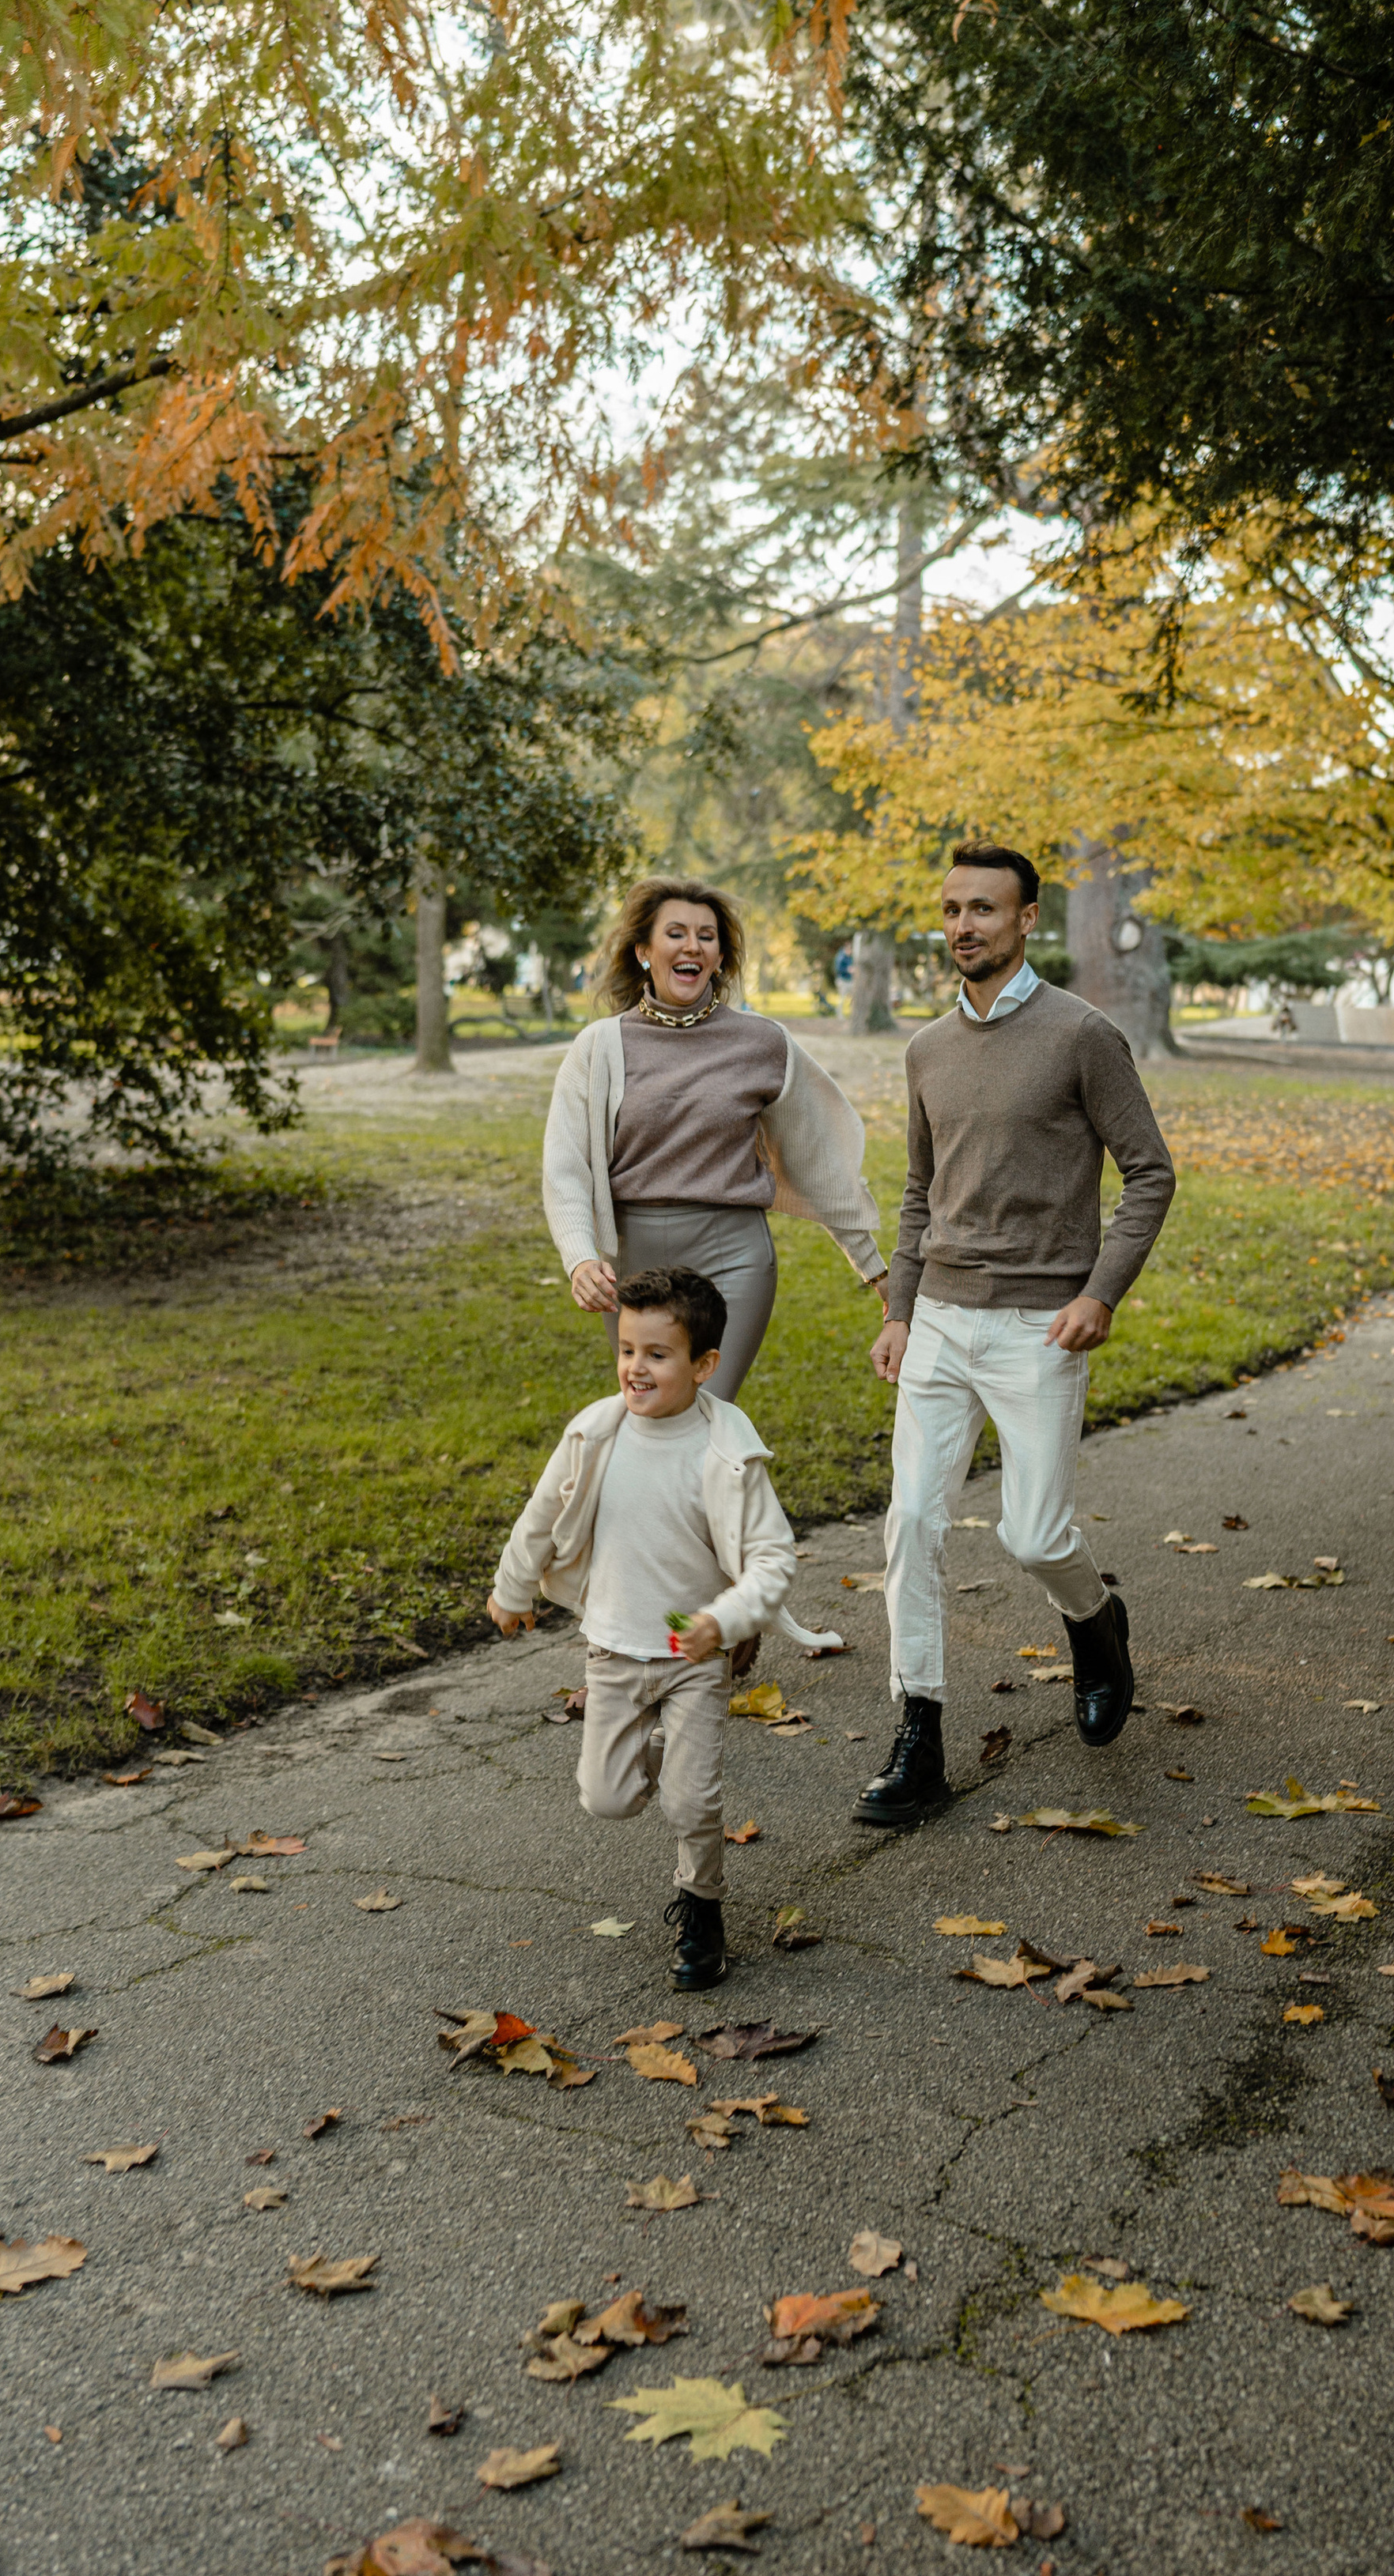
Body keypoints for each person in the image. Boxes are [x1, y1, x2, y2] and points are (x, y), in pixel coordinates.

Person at [856, 843, 1178, 1830]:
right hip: (942, 1321)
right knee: (910, 1524)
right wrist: (900, 1310)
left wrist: (1100, 1293)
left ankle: (1095, 1621)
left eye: (984, 910)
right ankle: (919, 1733)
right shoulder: (926, 1050)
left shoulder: (1082, 1036)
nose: (964, 926)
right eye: (952, 909)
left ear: (1028, 918)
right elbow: (921, 1192)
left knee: (1035, 1534)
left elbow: (1149, 1172)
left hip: (1043, 1324)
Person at [486, 1266, 797, 1992]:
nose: (636, 1368)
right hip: (614, 1649)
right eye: (627, 1350)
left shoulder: (726, 1453)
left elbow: (774, 1557)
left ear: (704, 1366)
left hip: (692, 1658)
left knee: (692, 1801)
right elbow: (540, 1515)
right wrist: (513, 1587)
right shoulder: (596, 1434)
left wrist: (726, 1618)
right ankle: (659, 1746)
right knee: (608, 1797)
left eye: (657, 1354)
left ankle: (701, 1909)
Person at [543, 876, 889, 1396]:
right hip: (631, 1263)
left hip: (734, 1258)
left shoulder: (762, 1043)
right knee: (651, 1410)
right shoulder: (598, 1047)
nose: (692, 946)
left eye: (706, 936)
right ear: (644, 951)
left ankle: (725, 1478)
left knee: (707, 1408)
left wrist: (874, 1268)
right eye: (676, 933)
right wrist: (579, 1257)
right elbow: (566, 1166)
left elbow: (817, 1164)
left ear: (720, 957)